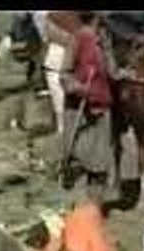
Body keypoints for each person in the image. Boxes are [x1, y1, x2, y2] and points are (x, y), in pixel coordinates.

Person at [60, 11, 114, 193]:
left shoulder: (104, 40)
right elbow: (64, 75)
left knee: (99, 166)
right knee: (79, 161)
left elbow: (112, 71)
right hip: (80, 111)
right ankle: (76, 207)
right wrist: (79, 88)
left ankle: (93, 211)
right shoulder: (78, 38)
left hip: (102, 108)